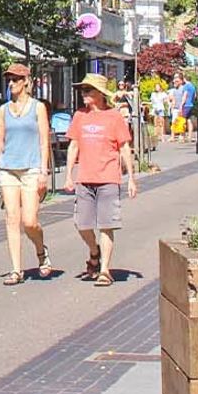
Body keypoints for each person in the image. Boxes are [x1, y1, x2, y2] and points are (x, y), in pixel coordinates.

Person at [65, 73, 137, 285]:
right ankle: (94, 251)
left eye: (88, 90)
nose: (84, 94)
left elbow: (124, 147)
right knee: (82, 224)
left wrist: (132, 178)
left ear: (100, 94)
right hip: (85, 177)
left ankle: (105, 270)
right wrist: (69, 175)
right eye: (83, 90)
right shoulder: (79, 115)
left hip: (108, 177)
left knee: (106, 224)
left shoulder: (114, 116)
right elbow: (73, 145)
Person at [0, 63, 52, 285]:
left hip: (32, 168)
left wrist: (44, 171)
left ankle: (41, 251)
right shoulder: (3, 110)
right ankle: (16, 270)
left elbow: (44, 141)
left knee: (30, 221)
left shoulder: (38, 108)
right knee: (11, 219)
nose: (11, 83)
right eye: (9, 79)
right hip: (8, 169)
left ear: (26, 81)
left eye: (15, 79)